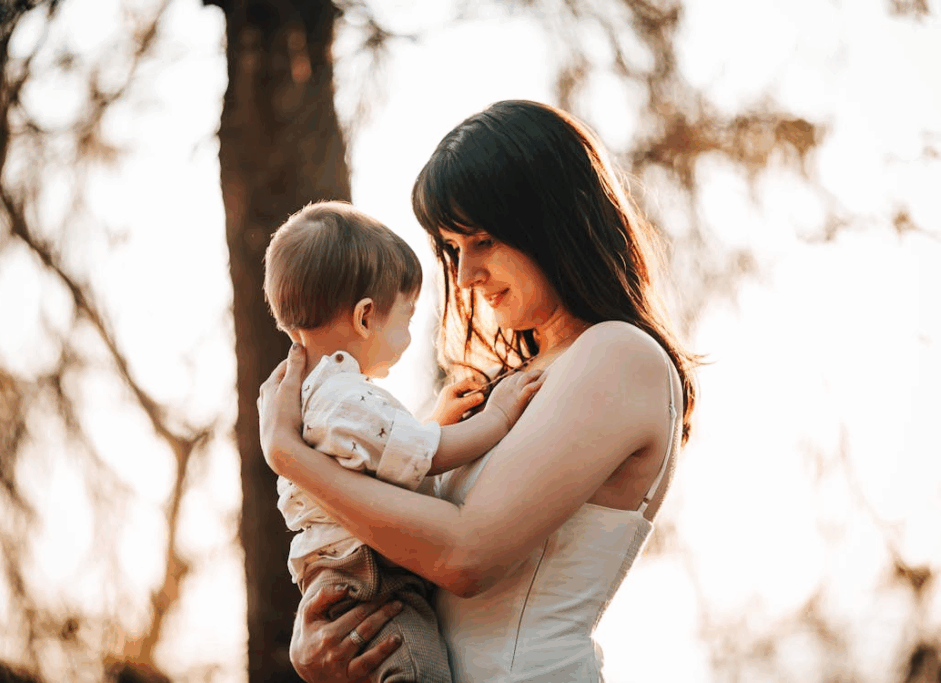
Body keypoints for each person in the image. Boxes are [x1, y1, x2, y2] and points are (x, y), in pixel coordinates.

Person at [257, 100, 699, 683]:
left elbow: (463, 557)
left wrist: (289, 456)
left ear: (551, 220)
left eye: (484, 240)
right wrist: (327, 634)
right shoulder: (507, 384)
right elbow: (393, 531)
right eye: (453, 248)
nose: (464, 276)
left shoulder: (619, 354)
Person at [262, 200, 544, 683]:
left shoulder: (312, 396)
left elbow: (375, 459)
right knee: (417, 669)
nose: (411, 335)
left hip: (340, 571)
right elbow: (425, 457)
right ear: (366, 317)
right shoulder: (344, 395)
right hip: (371, 577)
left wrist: (434, 418)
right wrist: (495, 417)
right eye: (407, 318)